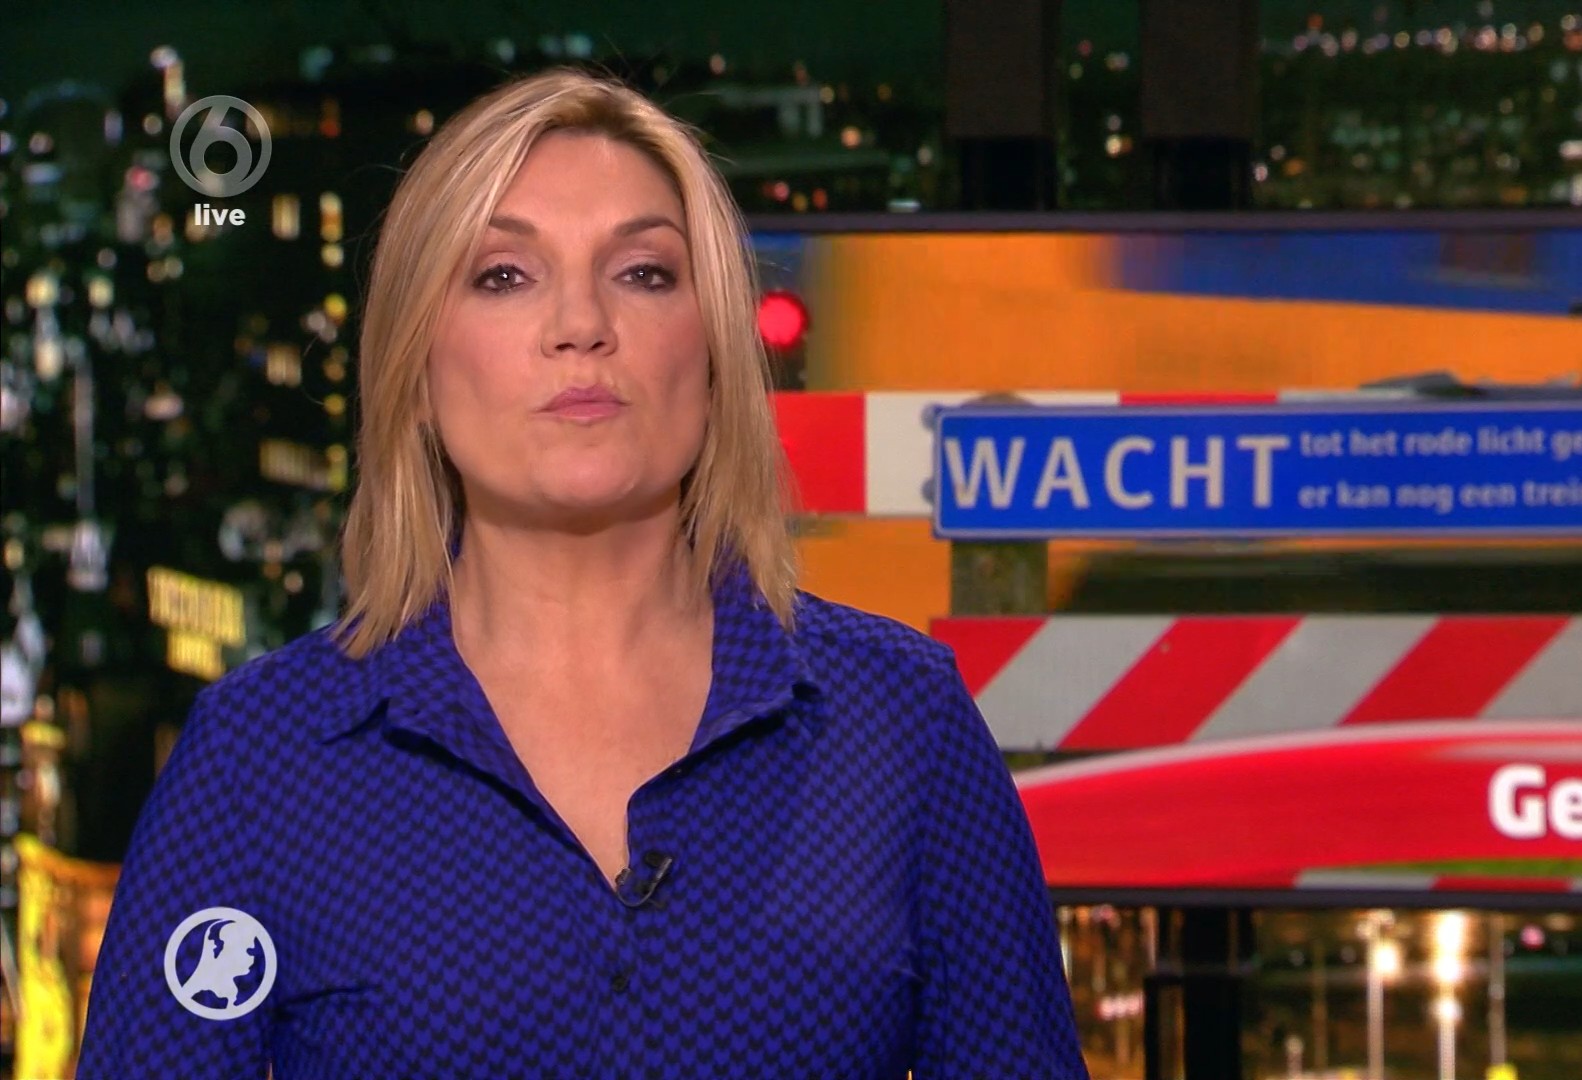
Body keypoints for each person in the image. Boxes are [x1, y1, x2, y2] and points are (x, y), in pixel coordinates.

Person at [76, 67, 1088, 1080]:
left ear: (715, 354)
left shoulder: (901, 720)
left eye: (643, 273)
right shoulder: (259, 756)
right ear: (415, 370)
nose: (581, 323)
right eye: (503, 276)